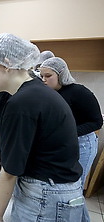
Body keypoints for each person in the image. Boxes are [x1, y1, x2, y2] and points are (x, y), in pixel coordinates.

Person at [0, 33, 86, 222]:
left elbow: (11, 171)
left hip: (48, 197)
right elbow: (2, 135)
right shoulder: (23, 94)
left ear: (6, 63)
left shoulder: (24, 102)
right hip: (60, 195)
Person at [40, 57, 102, 186]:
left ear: (61, 75)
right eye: (41, 76)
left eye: (48, 76)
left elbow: (97, 122)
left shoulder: (79, 92)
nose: (43, 80)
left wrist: (69, 132)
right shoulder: (48, 93)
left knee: (75, 184)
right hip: (60, 142)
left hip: (82, 144)